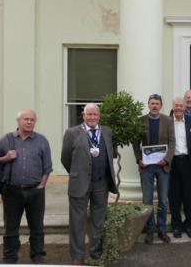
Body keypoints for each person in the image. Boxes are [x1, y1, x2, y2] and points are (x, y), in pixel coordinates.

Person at [61, 104, 117, 265]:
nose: (92, 117)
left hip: (101, 183)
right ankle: (77, 256)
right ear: (83, 116)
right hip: (80, 183)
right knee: (77, 221)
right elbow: (65, 158)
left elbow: (110, 154)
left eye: (95, 114)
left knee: (98, 220)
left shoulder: (107, 132)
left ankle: (95, 252)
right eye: (89, 114)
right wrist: (78, 173)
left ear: (99, 116)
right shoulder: (72, 133)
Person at [0, 109, 52, 264]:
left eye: (32, 120)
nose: (29, 122)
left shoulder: (42, 140)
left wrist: (41, 186)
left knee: (37, 226)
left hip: (35, 191)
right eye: (26, 119)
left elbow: (47, 168)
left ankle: (37, 256)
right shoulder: (6, 140)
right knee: (11, 227)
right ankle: (10, 257)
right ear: (18, 121)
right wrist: (5, 158)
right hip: (11, 191)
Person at [132, 94, 175, 244]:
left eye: (157, 103)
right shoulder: (140, 121)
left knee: (163, 200)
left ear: (161, 105)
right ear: (148, 105)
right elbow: (135, 142)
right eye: (152, 103)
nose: (155, 106)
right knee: (147, 200)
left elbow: (172, 142)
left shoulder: (168, 121)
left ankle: (162, 230)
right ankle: (150, 230)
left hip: (163, 167)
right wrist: (139, 159)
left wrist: (167, 159)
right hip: (147, 167)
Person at [168, 98, 191, 239]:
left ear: (185, 107)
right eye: (176, 106)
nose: (179, 108)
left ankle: (189, 225)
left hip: (188, 162)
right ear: (172, 107)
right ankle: (176, 226)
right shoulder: (167, 121)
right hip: (172, 163)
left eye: (181, 106)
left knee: (189, 197)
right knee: (174, 197)